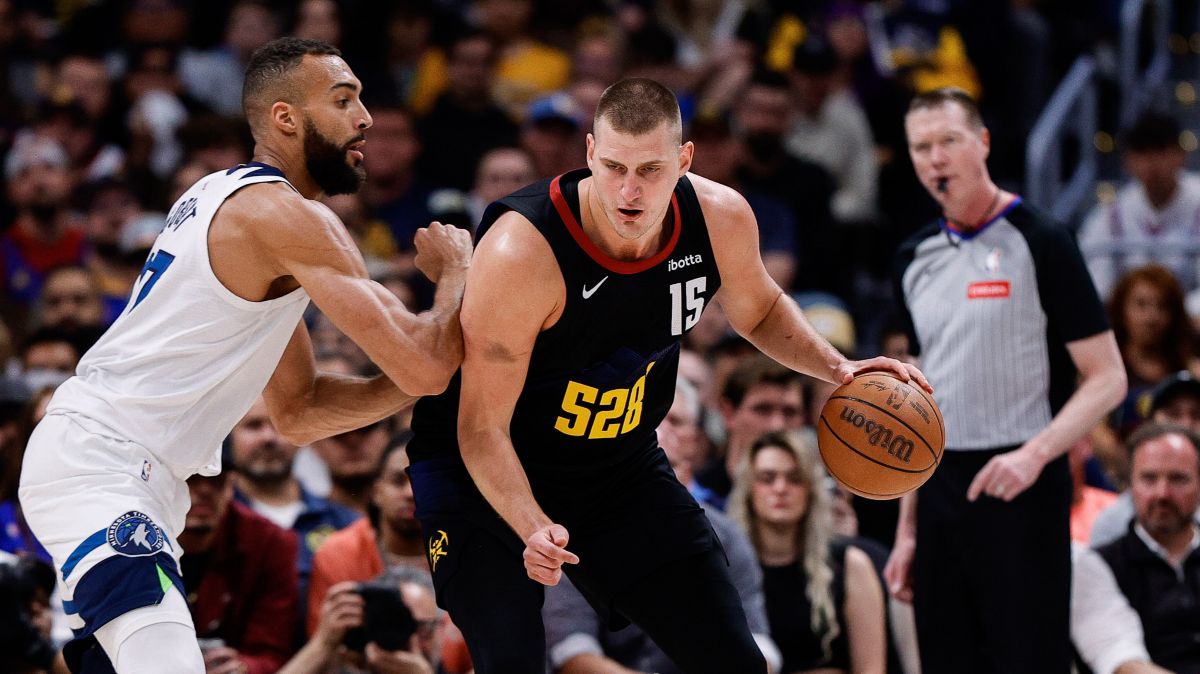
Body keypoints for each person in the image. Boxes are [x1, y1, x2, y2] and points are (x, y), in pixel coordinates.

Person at [406, 77, 928, 673]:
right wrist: (532, 526)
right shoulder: (522, 253)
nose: (629, 190)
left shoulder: (719, 218)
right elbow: (480, 430)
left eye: (651, 170)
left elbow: (756, 308)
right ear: (588, 154)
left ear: (684, 159)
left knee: (733, 658)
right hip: (486, 472)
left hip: (615, 466)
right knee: (514, 661)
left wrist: (839, 367)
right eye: (613, 167)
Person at [18, 37, 472, 674]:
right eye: (344, 100)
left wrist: (422, 380)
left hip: (127, 470)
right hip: (104, 461)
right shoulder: (282, 216)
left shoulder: (229, 202)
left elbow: (301, 411)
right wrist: (455, 273)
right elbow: (425, 363)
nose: (365, 118)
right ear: (286, 117)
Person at [886, 87, 1127, 674]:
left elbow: (1108, 378)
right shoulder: (912, 258)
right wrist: (908, 531)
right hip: (938, 481)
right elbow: (921, 398)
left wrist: (1035, 455)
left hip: (1024, 483)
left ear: (983, 143)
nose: (937, 158)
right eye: (922, 147)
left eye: (949, 141)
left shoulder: (1042, 241)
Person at [728, 431, 887, 674]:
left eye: (795, 478)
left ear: (812, 488)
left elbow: (871, 669)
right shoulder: (729, 568)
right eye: (767, 478)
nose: (780, 488)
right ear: (748, 489)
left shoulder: (850, 564)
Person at [1089, 423, 1200, 674]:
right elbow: (1119, 659)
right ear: (1129, 486)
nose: (1162, 493)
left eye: (1178, 478)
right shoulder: (1099, 565)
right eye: (1149, 478)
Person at [179, 447, 298, 674]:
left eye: (216, 479)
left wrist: (244, 667)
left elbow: (273, 651)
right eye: (190, 478)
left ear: (232, 484)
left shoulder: (268, 543)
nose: (204, 490)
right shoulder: (131, 540)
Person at [1077, 110, 1200, 301]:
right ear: (1128, 161)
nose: (1152, 164)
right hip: (1130, 322)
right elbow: (1097, 287)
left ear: (1181, 155)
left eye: (1160, 151)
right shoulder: (1111, 214)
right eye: (1142, 153)